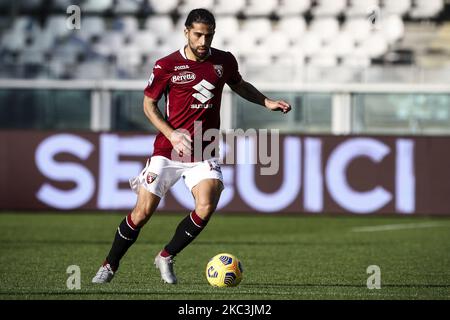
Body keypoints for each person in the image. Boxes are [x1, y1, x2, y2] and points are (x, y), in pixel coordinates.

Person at [92, 8, 291, 284]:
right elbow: (149, 105)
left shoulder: (224, 61)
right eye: (197, 35)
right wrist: (172, 134)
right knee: (142, 212)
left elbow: (239, 85)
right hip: (168, 150)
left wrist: (266, 101)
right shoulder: (166, 65)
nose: (202, 42)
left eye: (208, 36)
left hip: (203, 149)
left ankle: (166, 255)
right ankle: (109, 266)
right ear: (186, 32)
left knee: (206, 205)